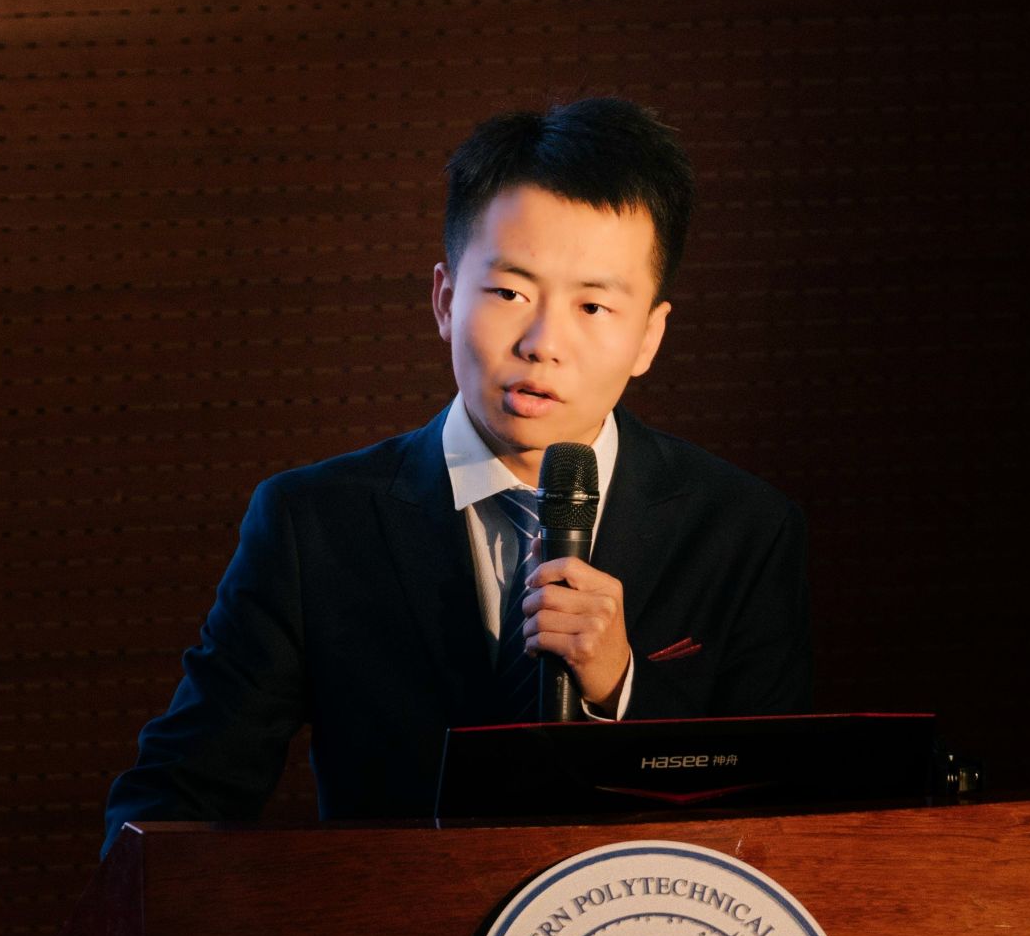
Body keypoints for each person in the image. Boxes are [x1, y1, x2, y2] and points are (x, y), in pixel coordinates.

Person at [101, 98, 812, 857]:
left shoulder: (743, 528)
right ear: (445, 299)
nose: (544, 343)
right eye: (510, 293)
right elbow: (178, 794)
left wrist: (620, 687)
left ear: (649, 336)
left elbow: (783, 817)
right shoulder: (314, 525)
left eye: (594, 305)